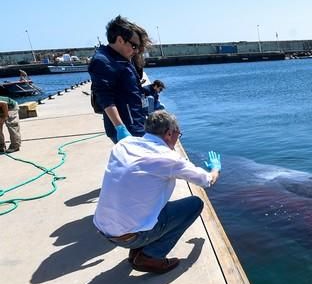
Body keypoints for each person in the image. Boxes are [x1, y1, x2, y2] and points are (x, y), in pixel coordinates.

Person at [93, 111, 221, 273]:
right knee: (194, 204)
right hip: (130, 236)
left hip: (103, 229)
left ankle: (139, 249)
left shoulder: (124, 145)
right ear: (169, 133)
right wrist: (215, 168)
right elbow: (207, 181)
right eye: (178, 134)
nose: (177, 139)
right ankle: (150, 256)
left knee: (153, 200)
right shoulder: (169, 158)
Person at [88, 15, 152, 143]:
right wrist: (120, 128)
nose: (136, 50)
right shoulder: (103, 61)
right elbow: (105, 97)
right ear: (120, 40)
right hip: (127, 128)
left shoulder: (122, 58)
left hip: (136, 122)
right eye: (134, 46)